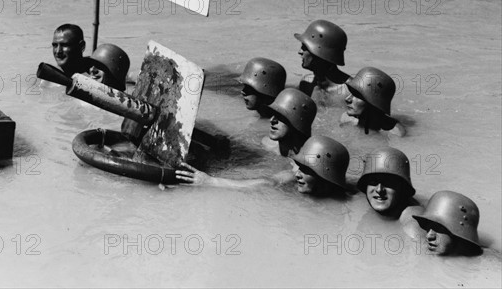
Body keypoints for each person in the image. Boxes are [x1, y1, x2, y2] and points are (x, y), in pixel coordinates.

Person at [176, 135, 349, 199]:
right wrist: (210, 182)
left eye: (307, 171)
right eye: (299, 168)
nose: (298, 174)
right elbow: (268, 182)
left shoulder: (345, 195)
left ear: (326, 177)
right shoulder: (291, 177)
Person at [412, 191, 483, 256]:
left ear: (459, 235)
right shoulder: (420, 251)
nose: (429, 236)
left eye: (438, 227)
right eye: (427, 226)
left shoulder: (486, 261)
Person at [340, 67, 406, 136]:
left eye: (357, 96)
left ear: (374, 102)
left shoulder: (395, 132)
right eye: (351, 93)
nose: (347, 99)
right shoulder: (346, 119)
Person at [294, 20, 350, 98]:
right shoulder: (306, 85)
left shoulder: (351, 92)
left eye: (304, 48)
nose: (299, 52)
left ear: (320, 52)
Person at [357, 147, 417, 218]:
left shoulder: (411, 219)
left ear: (402, 188)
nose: (379, 190)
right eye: (373, 181)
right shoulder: (355, 196)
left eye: (389, 182)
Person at [261, 88, 317, 157]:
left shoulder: (309, 161)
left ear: (297, 123)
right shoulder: (266, 144)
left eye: (280, 116)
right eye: (273, 114)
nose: (272, 120)